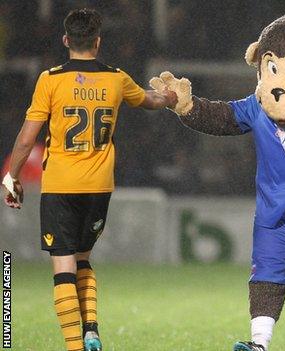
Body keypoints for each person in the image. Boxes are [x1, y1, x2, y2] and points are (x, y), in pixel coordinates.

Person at [1, 8, 176, 351]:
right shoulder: (116, 78)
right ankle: (91, 328)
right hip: (99, 187)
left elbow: (25, 140)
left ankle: (74, 346)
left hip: (61, 185)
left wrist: (12, 176)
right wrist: (171, 97)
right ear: (98, 42)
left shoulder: (50, 79)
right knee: (83, 258)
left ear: (66, 40)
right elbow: (152, 99)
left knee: (63, 265)